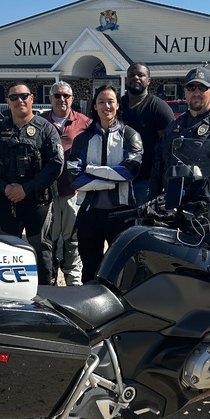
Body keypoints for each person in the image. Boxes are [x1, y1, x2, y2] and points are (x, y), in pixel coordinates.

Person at [0, 80, 64, 285]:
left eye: (24, 96)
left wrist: (26, 188)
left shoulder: (46, 129)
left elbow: (55, 164)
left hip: (37, 200)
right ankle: (11, 292)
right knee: (6, 248)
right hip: (6, 199)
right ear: (7, 101)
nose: (20, 101)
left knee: (41, 248)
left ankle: (46, 293)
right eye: (14, 97)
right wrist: (4, 187)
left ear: (32, 99)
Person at [68, 84, 143, 283]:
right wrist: (110, 181)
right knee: (90, 268)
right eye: (101, 102)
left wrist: (91, 169)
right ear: (94, 106)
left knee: (122, 270)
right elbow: (74, 178)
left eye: (110, 101)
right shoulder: (83, 138)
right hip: (89, 213)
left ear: (118, 105)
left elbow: (130, 171)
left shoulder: (130, 135)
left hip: (122, 213)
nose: (106, 106)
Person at [149, 67, 210, 198]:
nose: (196, 93)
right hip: (171, 201)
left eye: (202, 88)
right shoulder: (174, 125)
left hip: (204, 204)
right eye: (191, 88)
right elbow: (158, 167)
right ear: (185, 92)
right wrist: (151, 200)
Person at [41, 82, 91, 286]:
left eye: (66, 96)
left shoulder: (84, 122)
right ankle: (49, 279)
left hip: (73, 191)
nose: (61, 99)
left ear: (72, 98)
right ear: (50, 98)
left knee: (73, 239)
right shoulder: (40, 121)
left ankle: (73, 280)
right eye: (57, 95)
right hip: (46, 193)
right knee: (48, 239)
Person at [120, 63, 174, 205]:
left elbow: (169, 146)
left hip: (145, 183)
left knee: (142, 218)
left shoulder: (158, 107)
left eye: (141, 75)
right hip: (117, 179)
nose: (136, 78)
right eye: (132, 75)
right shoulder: (118, 105)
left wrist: (159, 177)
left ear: (148, 80)